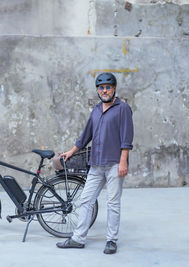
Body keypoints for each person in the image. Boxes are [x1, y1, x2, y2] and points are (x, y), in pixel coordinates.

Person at [56, 72, 134, 254]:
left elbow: (127, 137)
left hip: (115, 163)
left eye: (108, 87)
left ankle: (111, 240)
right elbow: (85, 136)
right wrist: (71, 151)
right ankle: (78, 238)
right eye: (101, 88)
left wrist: (123, 162)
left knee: (113, 203)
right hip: (96, 164)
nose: (105, 90)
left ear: (114, 88)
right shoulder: (97, 110)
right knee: (85, 200)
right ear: (98, 90)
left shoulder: (123, 108)